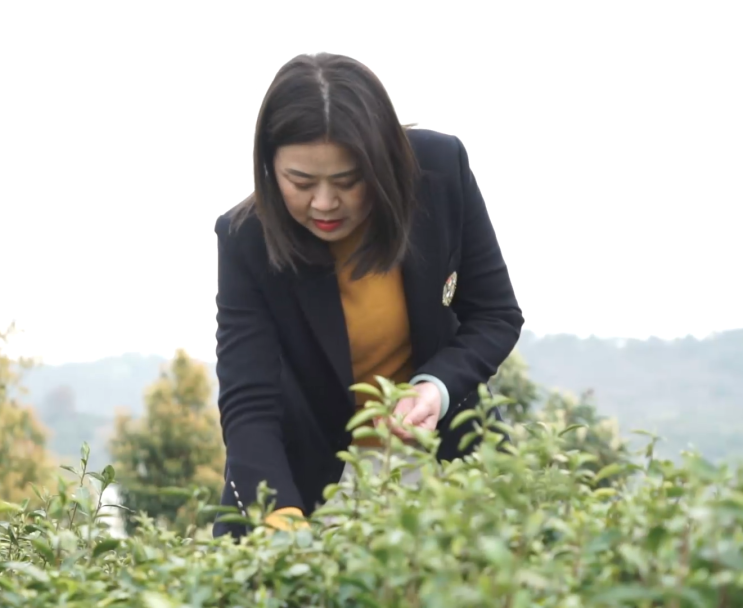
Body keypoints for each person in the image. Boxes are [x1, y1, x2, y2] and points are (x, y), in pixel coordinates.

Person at [211, 52, 523, 539]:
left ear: (381, 161)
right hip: (310, 479)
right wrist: (280, 520)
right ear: (269, 165)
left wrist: (434, 388)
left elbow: (495, 315)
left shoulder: (438, 174)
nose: (324, 203)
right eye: (300, 181)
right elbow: (249, 399)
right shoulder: (246, 239)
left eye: (347, 181)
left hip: (444, 456)